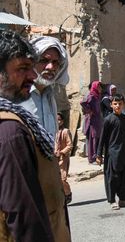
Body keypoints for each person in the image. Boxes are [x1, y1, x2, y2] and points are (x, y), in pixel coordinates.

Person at [0, 29, 71, 242]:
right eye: (23, 68)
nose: (33, 75)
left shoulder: (47, 97)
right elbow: (21, 212)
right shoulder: (11, 130)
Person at [21, 36, 69, 142]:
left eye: (56, 62)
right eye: (44, 60)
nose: (50, 67)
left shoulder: (49, 96)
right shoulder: (16, 97)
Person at [97, 92, 125, 210]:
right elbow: (102, 138)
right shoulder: (108, 119)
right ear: (111, 105)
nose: (117, 106)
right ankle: (112, 200)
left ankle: (123, 199)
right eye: (115, 104)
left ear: (123, 105)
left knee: (124, 176)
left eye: (120, 104)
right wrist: (99, 154)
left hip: (123, 151)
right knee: (112, 178)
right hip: (111, 153)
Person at [80, 80, 104, 164]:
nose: (100, 88)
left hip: (97, 119)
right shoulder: (91, 95)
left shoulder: (97, 96)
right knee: (92, 139)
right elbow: (82, 102)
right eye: (98, 86)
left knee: (97, 137)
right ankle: (92, 158)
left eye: (100, 87)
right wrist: (89, 111)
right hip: (92, 120)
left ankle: (96, 156)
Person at [54, 113, 72, 204]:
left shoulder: (65, 131)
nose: (57, 121)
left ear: (62, 121)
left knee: (62, 179)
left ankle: (68, 194)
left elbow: (69, 145)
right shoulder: (53, 131)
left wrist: (62, 152)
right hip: (54, 159)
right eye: (56, 119)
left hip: (63, 158)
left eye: (59, 119)